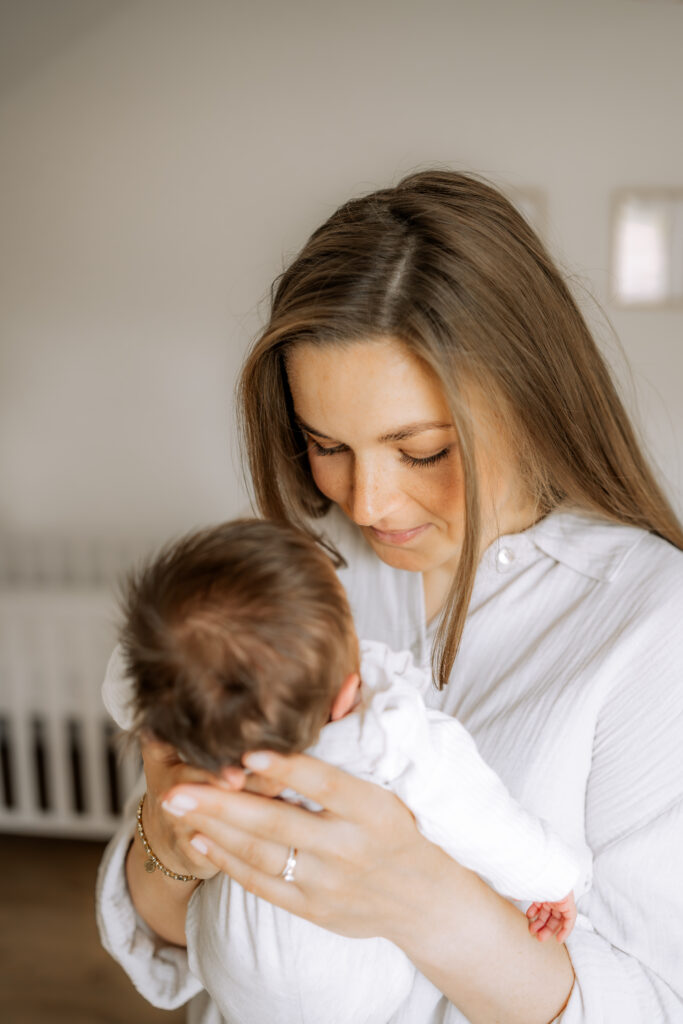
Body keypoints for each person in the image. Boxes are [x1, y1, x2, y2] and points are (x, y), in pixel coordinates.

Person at [96, 169, 683, 1024]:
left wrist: (416, 896)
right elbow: (168, 946)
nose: (365, 504)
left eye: (421, 450)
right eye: (325, 444)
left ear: (530, 397)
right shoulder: (292, 590)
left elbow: (656, 1003)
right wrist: (172, 837)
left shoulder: (650, 620)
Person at [108, 517, 584, 1024]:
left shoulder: (195, 750)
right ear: (344, 694)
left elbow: (123, 683)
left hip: (231, 970)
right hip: (360, 992)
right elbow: (481, 815)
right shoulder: (385, 735)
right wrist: (552, 877)